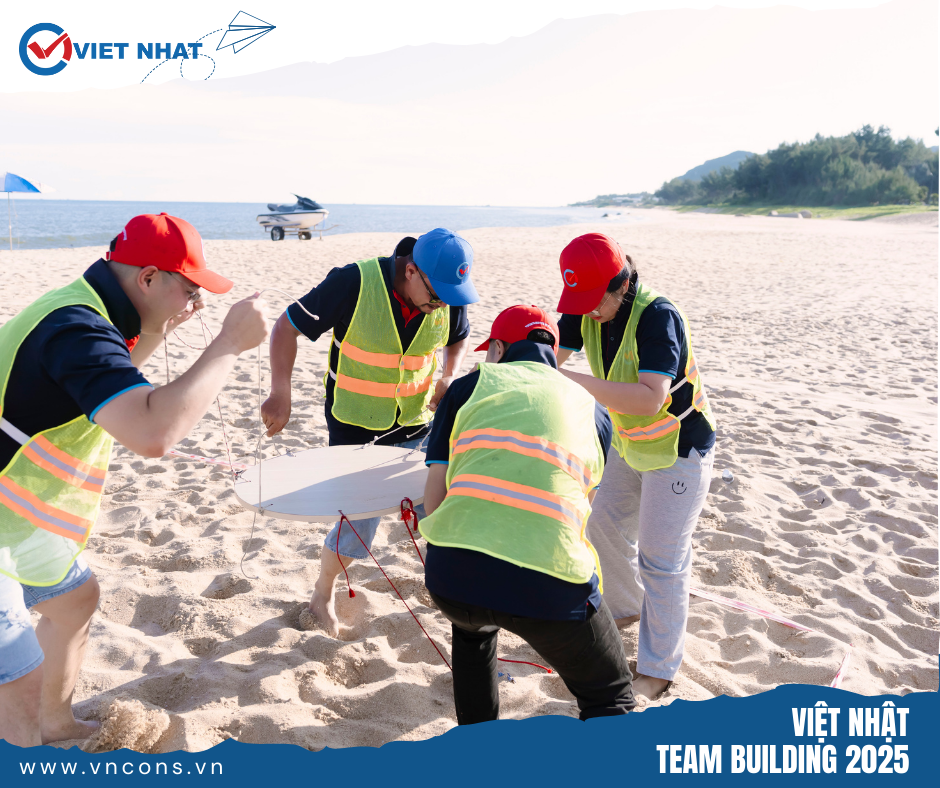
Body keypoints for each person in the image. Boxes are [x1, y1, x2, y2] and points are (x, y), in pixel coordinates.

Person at [0, 213, 269, 747]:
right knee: (17, 679)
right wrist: (227, 345)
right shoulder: (77, 329)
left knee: (75, 600)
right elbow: (152, 433)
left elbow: (112, 390)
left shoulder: (85, 308)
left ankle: (56, 725)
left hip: (17, 516)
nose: (195, 302)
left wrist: (156, 329)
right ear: (148, 278)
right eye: (190, 289)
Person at [419, 305, 635, 723]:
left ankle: (478, 743)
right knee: (610, 695)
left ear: (499, 349)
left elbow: (434, 503)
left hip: (454, 580)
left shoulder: (467, 388)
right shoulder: (594, 410)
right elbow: (578, 507)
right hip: (551, 585)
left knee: (473, 632)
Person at [260, 228, 477, 636]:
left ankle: (453, 592)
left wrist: (449, 374)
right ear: (410, 271)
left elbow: (458, 337)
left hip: (418, 423)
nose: (442, 306)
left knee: (443, 511)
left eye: (449, 298)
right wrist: (280, 392)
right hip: (355, 433)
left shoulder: (445, 291)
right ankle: (322, 593)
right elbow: (286, 327)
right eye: (436, 297)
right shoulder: (353, 282)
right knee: (358, 527)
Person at [553, 232, 716, 701]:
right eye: (578, 299)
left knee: (662, 561)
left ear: (622, 285)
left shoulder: (658, 316)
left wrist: (567, 380)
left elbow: (649, 399)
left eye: (594, 299)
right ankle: (626, 609)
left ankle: (658, 670)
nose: (586, 310)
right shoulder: (585, 302)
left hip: (679, 449)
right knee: (602, 526)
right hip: (629, 444)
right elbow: (548, 356)